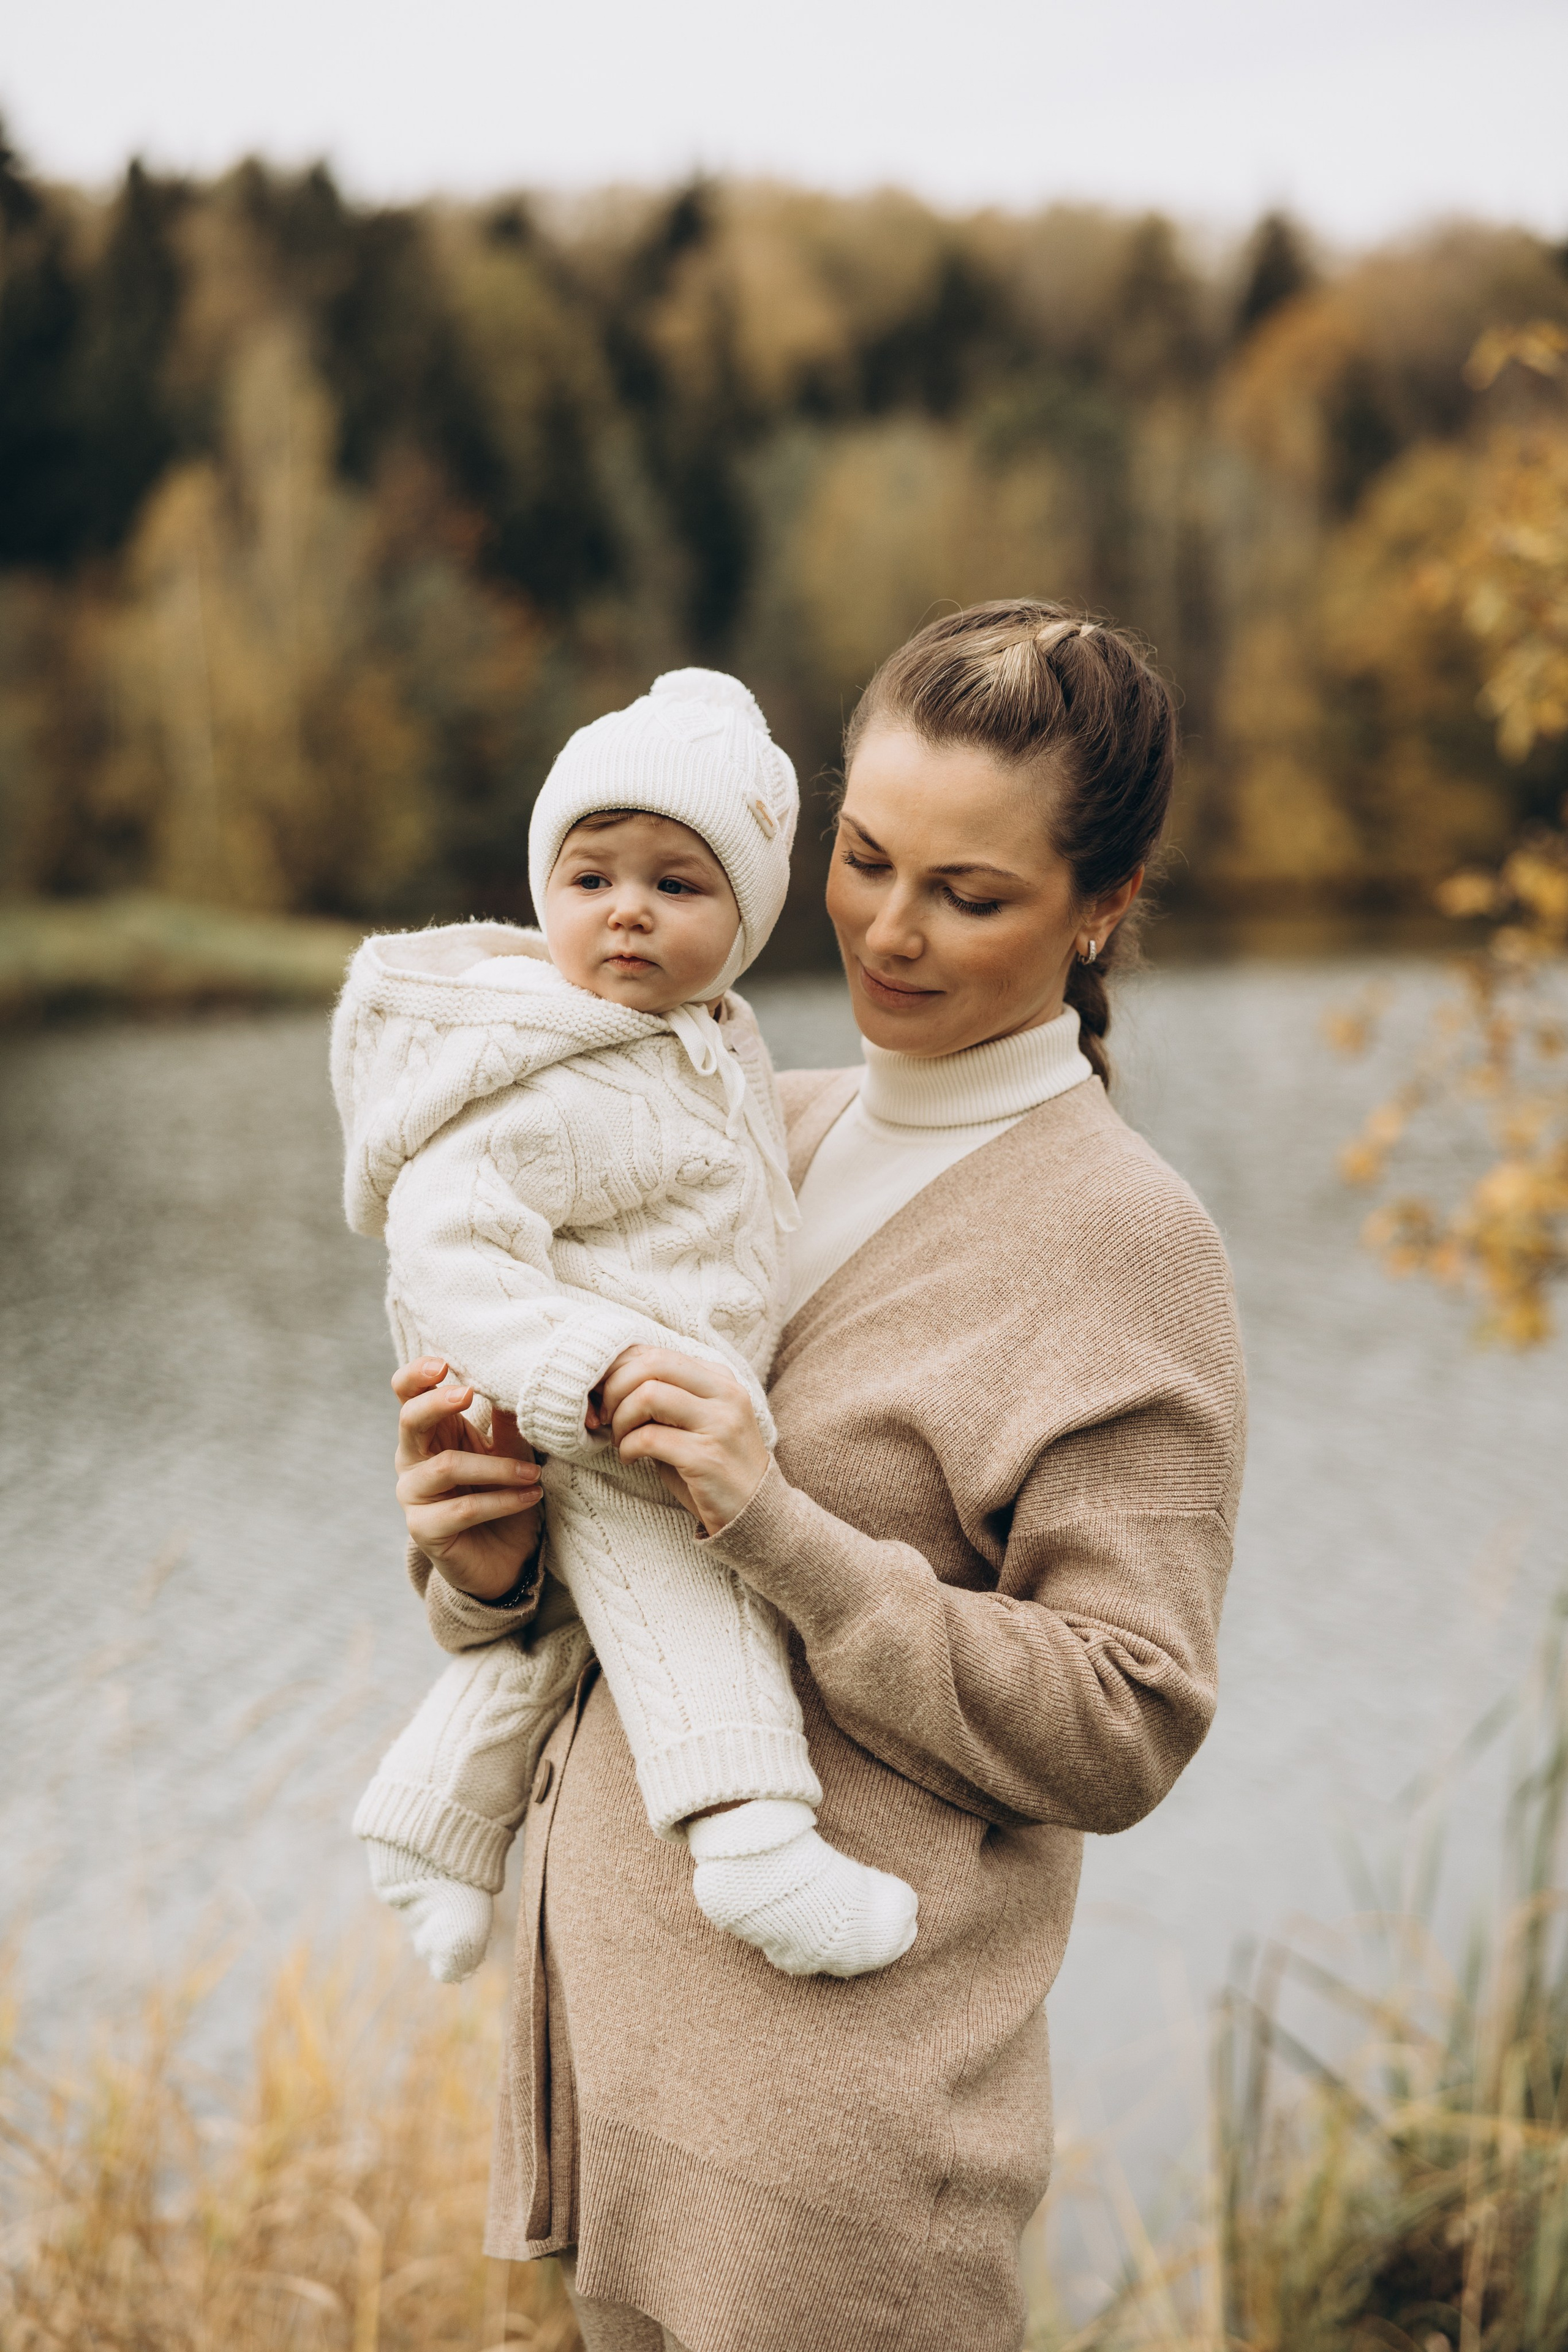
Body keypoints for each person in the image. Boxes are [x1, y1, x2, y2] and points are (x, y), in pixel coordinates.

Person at [386, 602, 1246, 2352]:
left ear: (1104, 910)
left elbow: (1124, 1718)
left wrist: (779, 1524)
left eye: (972, 894)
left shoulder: (1125, 1243)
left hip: (838, 2174)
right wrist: (483, 1559)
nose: (890, 932)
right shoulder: (741, 1126)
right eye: (864, 860)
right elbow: (610, 1587)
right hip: (625, 2108)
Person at [333, 669, 917, 1988]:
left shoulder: (701, 1044)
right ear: (544, 890)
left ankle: (428, 1820)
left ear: (749, 919)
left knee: (575, 1628)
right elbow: (447, 1239)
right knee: (690, 1597)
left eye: (677, 884)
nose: (629, 915)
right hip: (598, 1404)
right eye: (591, 878)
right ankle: (752, 1839)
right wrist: (579, 1374)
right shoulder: (575, 1073)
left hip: (639, 1391)